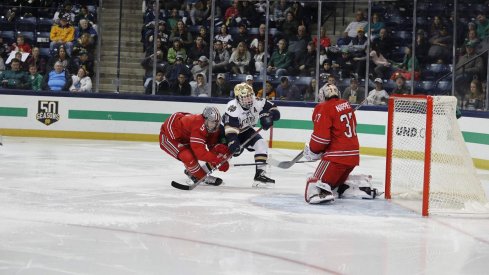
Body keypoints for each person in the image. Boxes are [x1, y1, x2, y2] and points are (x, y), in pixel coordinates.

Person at [303, 84, 376, 204]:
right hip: (352, 158)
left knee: (314, 183)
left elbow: (321, 139)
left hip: (336, 158)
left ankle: (321, 192)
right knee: (334, 184)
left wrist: (314, 150)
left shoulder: (323, 108)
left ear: (323, 96)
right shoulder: (346, 105)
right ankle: (358, 188)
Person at [223, 82, 281, 187]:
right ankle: (200, 172)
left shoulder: (258, 102)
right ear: (238, 98)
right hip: (227, 133)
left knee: (261, 144)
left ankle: (260, 175)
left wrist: (270, 116)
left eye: (250, 95)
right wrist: (233, 142)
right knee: (221, 155)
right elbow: (230, 130)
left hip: (245, 131)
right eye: (245, 97)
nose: (249, 99)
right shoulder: (232, 107)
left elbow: (275, 110)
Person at [159, 106, 230, 186]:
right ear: (205, 119)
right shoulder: (198, 126)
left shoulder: (212, 127)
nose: (215, 125)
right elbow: (200, 153)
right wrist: (216, 160)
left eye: (217, 122)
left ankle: (192, 171)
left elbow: (212, 146)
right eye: (212, 122)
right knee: (187, 156)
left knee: (218, 151)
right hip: (169, 137)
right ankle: (200, 176)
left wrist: (221, 159)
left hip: (186, 136)